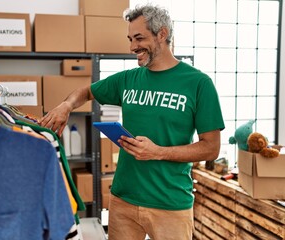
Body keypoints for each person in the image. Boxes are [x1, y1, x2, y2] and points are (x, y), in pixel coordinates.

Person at [40, 4, 225, 240]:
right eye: (130, 39)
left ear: (162, 34)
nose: (132, 47)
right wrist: (66, 105)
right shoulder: (128, 79)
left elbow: (211, 147)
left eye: (139, 38)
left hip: (170, 204)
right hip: (123, 201)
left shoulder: (198, 83)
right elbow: (86, 92)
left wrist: (158, 152)